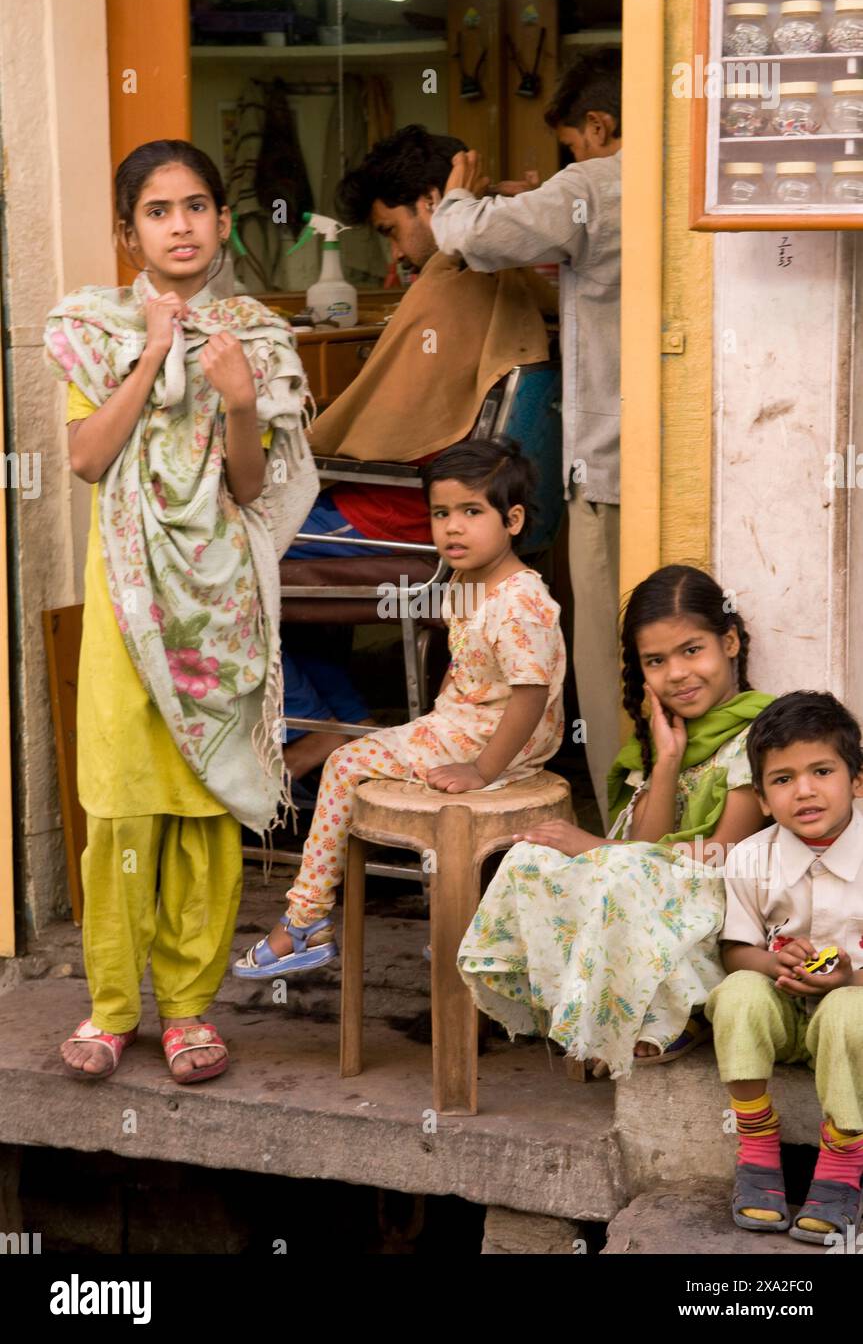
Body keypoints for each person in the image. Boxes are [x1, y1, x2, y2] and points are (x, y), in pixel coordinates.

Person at [45, 139, 317, 1083]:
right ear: (129, 232)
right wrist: (155, 352)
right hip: (129, 600)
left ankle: (190, 1011)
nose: (181, 225)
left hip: (218, 608)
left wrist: (239, 402)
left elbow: (249, 490)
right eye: (158, 211)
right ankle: (114, 1006)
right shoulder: (94, 327)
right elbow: (86, 460)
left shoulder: (254, 335)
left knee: (204, 806)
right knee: (122, 808)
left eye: (196, 206)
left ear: (222, 221)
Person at [233, 438, 566, 978]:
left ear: (513, 520)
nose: (452, 528)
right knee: (418, 794)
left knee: (344, 766)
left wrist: (483, 770)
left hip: (491, 741)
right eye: (440, 513)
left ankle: (306, 920)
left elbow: (531, 695)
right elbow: (469, 660)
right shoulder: (467, 580)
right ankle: (454, 927)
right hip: (467, 726)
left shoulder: (520, 599)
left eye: (471, 512)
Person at [279, 124, 551, 783]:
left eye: (390, 227)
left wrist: (298, 445)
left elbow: (373, 425)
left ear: (433, 202)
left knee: (223, 555)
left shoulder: (451, 280)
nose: (393, 247)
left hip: (401, 519)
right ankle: (342, 724)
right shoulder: (493, 267)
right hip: (442, 507)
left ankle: (316, 725)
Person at [457, 564, 771, 1079]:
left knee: (617, 869)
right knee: (533, 857)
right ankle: (592, 1015)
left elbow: (721, 855)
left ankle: (679, 1014)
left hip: (720, 910)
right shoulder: (663, 735)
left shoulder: (757, 736)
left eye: (692, 650)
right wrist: (667, 760)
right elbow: (646, 843)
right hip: (659, 887)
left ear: (730, 642)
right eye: (656, 660)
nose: (677, 673)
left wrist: (597, 848)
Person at [429, 50, 622, 827]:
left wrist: (455, 196)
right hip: (674, 458)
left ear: (600, 125)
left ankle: (618, 832)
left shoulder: (596, 182)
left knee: (609, 665)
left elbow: (468, 237)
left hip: (608, 467)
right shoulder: (678, 175)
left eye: (573, 142)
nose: (570, 161)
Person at [704, 691, 863, 1245]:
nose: (805, 790)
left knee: (849, 1008)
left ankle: (842, 1167)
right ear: (765, 799)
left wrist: (848, 977)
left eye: (822, 770)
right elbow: (735, 951)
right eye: (782, 779)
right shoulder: (750, 857)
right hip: (784, 1021)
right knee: (738, 991)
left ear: (857, 781)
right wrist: (772, 963)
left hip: (851, 1029)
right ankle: (757, 1147)